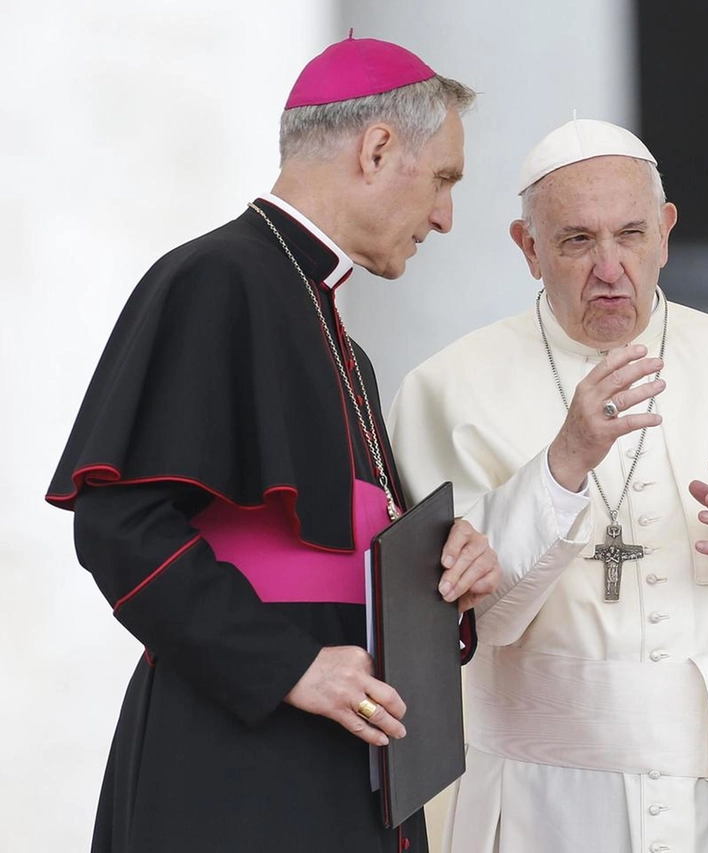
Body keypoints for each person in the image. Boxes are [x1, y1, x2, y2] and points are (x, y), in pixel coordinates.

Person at [388, 118, 708, 852]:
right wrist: (564, 463)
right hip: (546, 811)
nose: (610, 267)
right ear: (528, 248)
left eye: (631, 235)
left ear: (665, 232)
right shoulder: (447, 389)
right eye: (576, 240)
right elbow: (453, 627)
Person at [45, 34, 498, 853]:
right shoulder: (214, 279)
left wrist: (442, 575)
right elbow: (118, 525)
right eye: (442, 180)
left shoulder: (344, 346)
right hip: (234, 766)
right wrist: (288, 666)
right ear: (378, 148)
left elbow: (344, 557)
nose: (445, 216)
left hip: (343, 766)